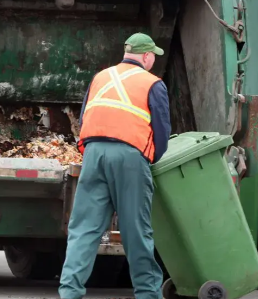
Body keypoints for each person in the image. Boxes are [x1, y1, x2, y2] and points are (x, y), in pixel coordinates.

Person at [58, 33, 172, 299]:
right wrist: (150, 158)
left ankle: (69, 292)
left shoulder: (101, 77)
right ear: (146, 56)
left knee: (84, 228)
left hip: (94, 154)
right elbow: (162, 131)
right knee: (136, 230)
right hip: (129, 157)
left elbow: (85, 115)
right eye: (153, 54)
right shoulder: (152, 83)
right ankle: (147, 294)